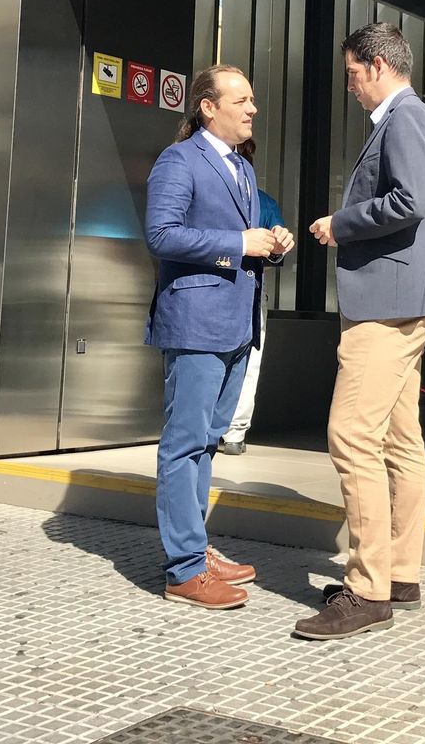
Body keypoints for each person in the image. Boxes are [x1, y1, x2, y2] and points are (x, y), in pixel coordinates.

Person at [297, 22, 425, 642]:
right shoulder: (409, 119)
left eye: (350, 75)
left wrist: (342, 223)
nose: (349, 88)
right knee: (398, 438)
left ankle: (367, 589)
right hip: (405, 295)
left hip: (390, 302)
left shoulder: (406, 118)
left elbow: (409, 201)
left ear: (374, 66)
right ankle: (400, 572)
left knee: (350, 435)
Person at [143, 64, 294, 610]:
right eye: (243, 100)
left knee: (207, 440)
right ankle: (183, 569)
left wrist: (271, 243)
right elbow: (161, 234)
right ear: (208, 106)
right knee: (184, 444)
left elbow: (245, 241)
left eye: (253, 100)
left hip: (236, 323)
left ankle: (196, 546)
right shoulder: (179, 160)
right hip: (196, 322)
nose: (253, 109)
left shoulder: (242, 169)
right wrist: (240, 242)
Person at [218, 136, 286, 457]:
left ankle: (224, 428)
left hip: (231, 285)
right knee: (247, 359)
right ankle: (233, 431)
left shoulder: (261, 202)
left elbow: (277, 249)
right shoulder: (264, 202)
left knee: (230, 357)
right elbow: (277, 252)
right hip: (249, 286)